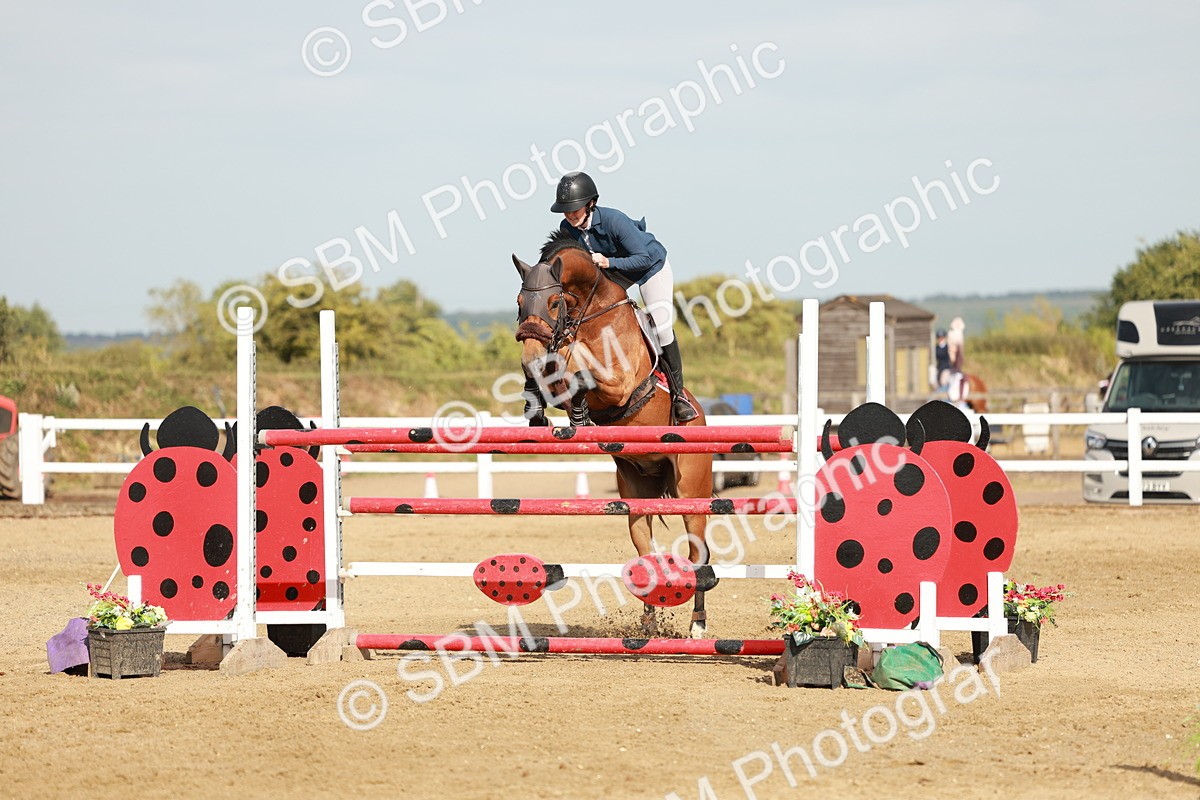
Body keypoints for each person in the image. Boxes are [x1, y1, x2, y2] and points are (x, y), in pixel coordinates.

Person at [549, 171, 696, 422]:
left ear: (590, 204)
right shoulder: (567, 228)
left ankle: (678, 394)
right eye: (566, 210)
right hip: (615, 271)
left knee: (662, 327)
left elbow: (644, 257)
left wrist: (608, 261)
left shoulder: (614, 221)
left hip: (650, 268)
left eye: (574, 209)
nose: (569, 214)